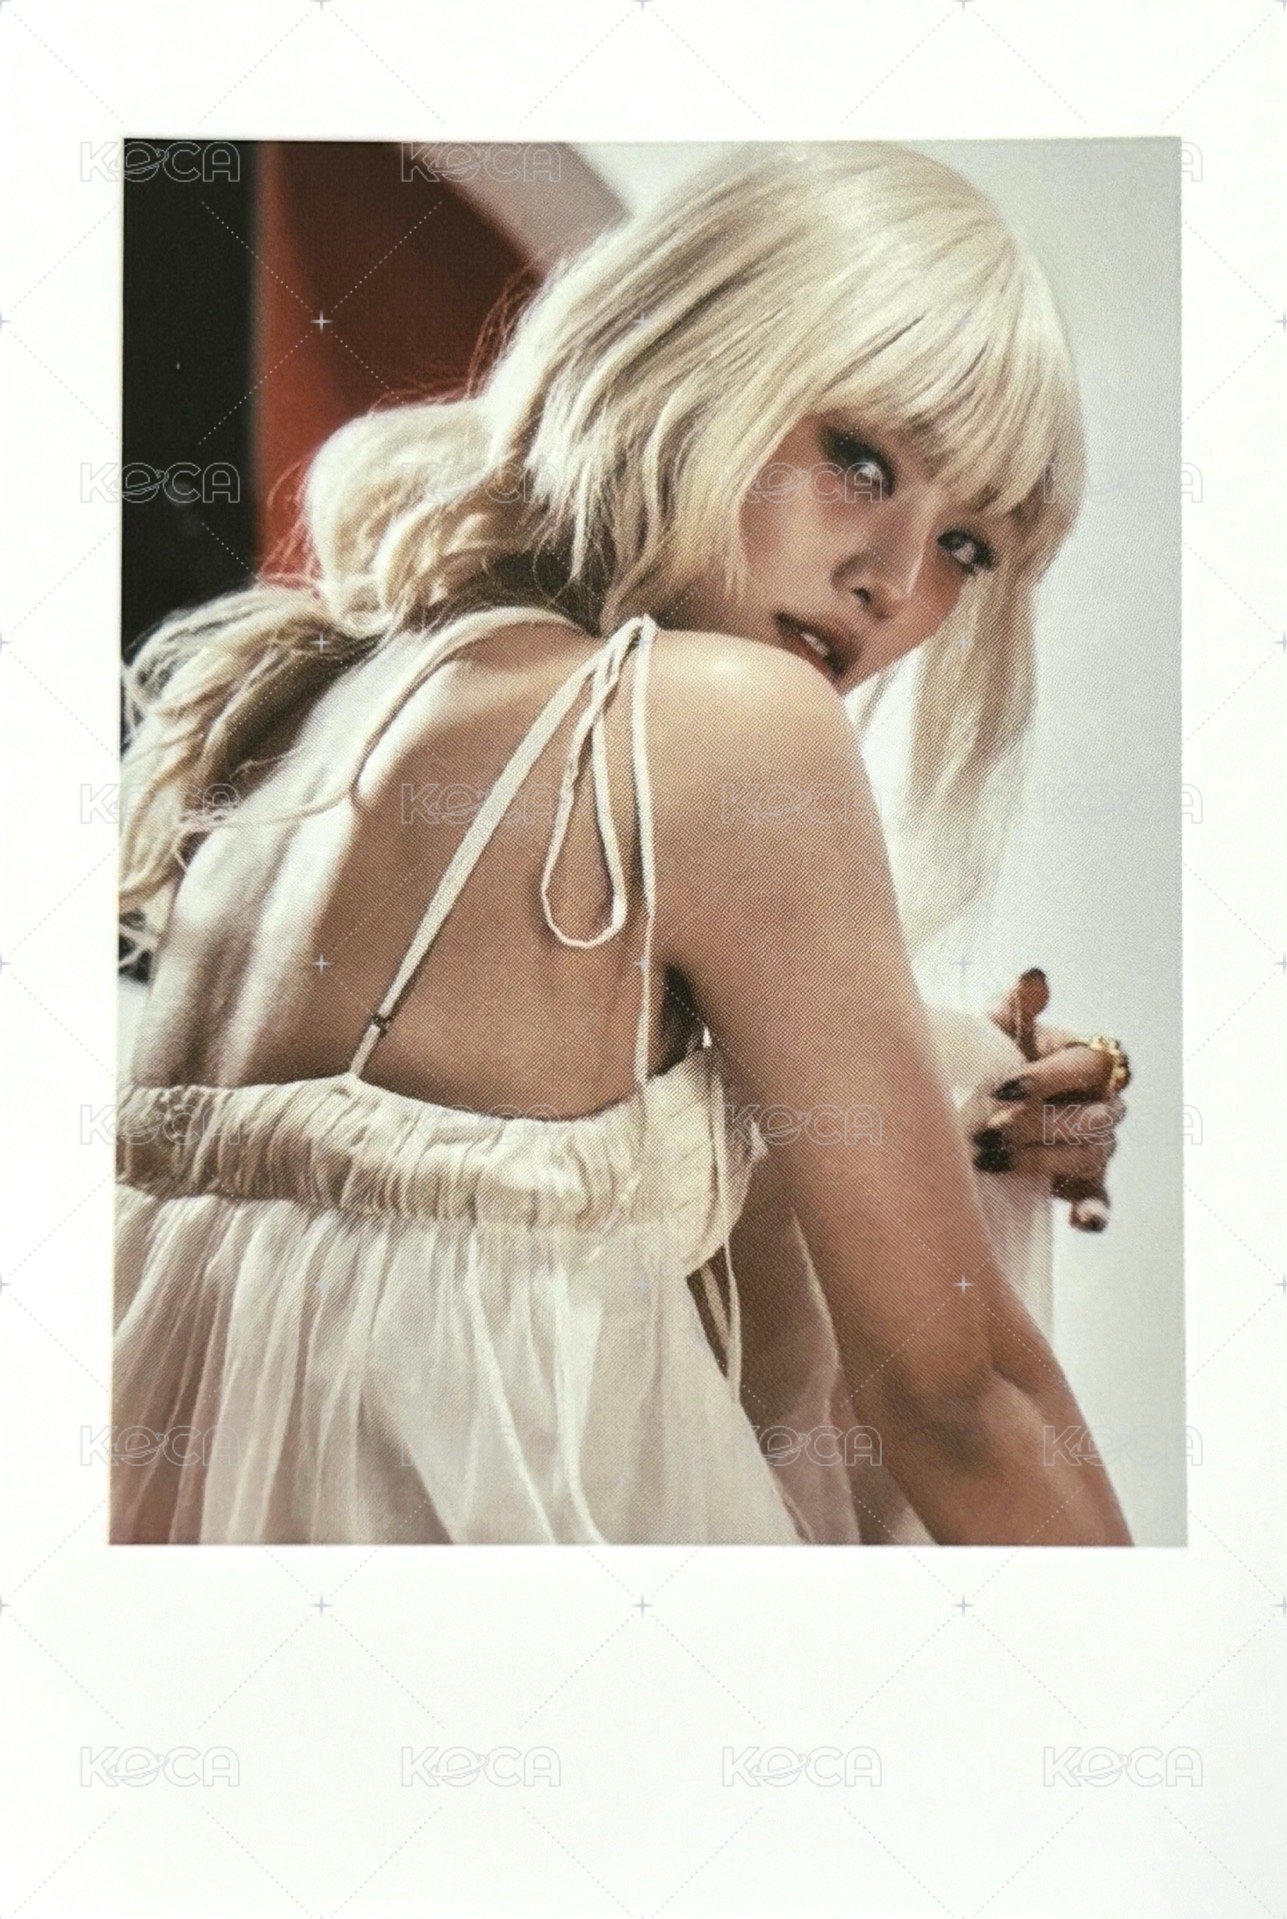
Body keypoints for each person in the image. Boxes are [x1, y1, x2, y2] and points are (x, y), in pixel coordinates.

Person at [113, 140, 1132, 1546]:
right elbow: (960, 1400)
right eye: (859, 459)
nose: (894, 579)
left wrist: (970, 1091)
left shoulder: (305, 706)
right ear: (692, 357)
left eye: (969, 546)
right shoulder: (732, 722)